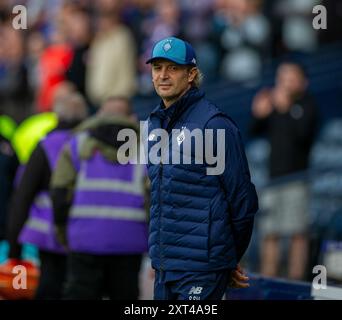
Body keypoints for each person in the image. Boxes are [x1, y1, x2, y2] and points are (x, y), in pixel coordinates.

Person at [145, 37, 259, 300]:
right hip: (165, 268)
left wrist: (227, 259)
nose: (162, 75)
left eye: (172, 68)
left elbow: (242, 201)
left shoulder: (214, 124)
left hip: (203, 270)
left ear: (191, 74)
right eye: (157, 68)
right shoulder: (153, 125)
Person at [51, 97, 149, 300]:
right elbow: (154, 200)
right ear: (131, 117)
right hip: (129, 243)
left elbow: (60, 193)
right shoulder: (146, 150)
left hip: (84, 241)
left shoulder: (77, 145)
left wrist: (63, 232)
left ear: (99, 115)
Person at [5, 93, 88, 299]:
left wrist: (14, 248)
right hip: (85, 235)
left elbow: (22, 197)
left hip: (50, 238)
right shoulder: (92, 146)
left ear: (56, 115)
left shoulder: (46, 146)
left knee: (50, 287)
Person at [250, 62, 318, 280]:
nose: (285, 83)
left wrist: (286, 108)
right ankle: (269, 279)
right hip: (272, 180)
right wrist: (259, 113)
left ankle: (296, 280)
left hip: (297, 179)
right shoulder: (275, 106)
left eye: (290, 77)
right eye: (281, 78)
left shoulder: (307, 105)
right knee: (270, 233)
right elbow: (253, 131)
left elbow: (303, 135)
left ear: (302, 81)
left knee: (298, 233)